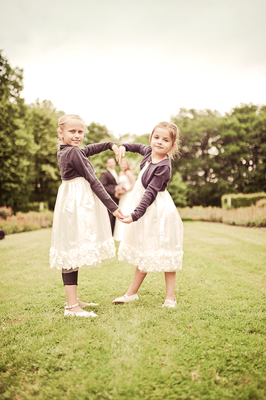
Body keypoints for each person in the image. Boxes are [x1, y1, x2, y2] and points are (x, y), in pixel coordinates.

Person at [49, 114, 123, 318]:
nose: (77, 135)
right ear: (60, 133)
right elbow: (93, 181)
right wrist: (113, 207)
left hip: (72, 204)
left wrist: (109, 144)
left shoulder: (68, 151)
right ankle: (72, 307)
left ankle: (73, 301)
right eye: (72, 131)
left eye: (80, 131)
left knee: (72, 250)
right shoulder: (73, 153)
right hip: (75, 206)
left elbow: (88, 150)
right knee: (71, 250)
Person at [112, 121, 183, 308]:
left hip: (159, 211)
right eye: (156, 137)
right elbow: (135, 146)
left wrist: (134, 215)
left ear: (172, 145)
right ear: (151, 138)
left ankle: (170, 297)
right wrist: (123, 147)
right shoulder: (148, 152)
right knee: (144, 249)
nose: (159, 142)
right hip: (147, 211)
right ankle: (131, 294)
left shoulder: (164, 166)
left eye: (165, 140)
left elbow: (150, 193)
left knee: (166, 251)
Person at [113, 158, 135, 241]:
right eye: (121, 164)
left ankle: (128, 235)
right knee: (121, 211)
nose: (123, 166)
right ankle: (120, 235)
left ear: (127, 165)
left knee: (127, 210)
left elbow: (134, 184)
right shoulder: (121, 173)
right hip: (122, 196)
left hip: (128, 195)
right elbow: (120, 184)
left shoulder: (128, 173)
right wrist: (118, 191)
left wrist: (125, 190)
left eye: (124, 164)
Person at [100, 157, 120, 234]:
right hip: (110, 198)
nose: (112, 164)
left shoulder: (116, 172)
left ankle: (114, 232)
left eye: (113, 162)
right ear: (106, 164)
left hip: (117, 197)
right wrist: (114, 191)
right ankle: (108, 233)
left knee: (115, 216)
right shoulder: (104, 173)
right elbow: (103, 186)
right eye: (110, 162)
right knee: (110, 216)